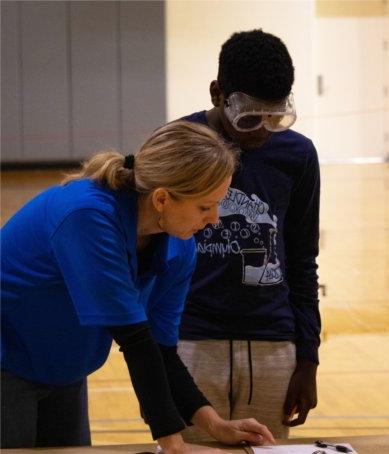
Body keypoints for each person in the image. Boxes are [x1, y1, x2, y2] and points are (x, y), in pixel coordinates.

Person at [1, 121, 275, 451]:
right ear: (162, 199)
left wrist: (213, 424)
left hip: (63, 368)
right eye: (205, 206)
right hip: (7, 360)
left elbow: (160, 349)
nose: (215, 219)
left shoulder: (180, 246)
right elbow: (133, 339)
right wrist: (173, 443)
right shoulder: (87, 217)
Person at [176, 29, 321, 442]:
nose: (261, 131)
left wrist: (307, 357)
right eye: (249, 117)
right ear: (217, 93)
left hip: (274, 344)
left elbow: (303, 259)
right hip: (190, 340)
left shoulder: (297, 155)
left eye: (273, 117)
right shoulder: (180, 144)